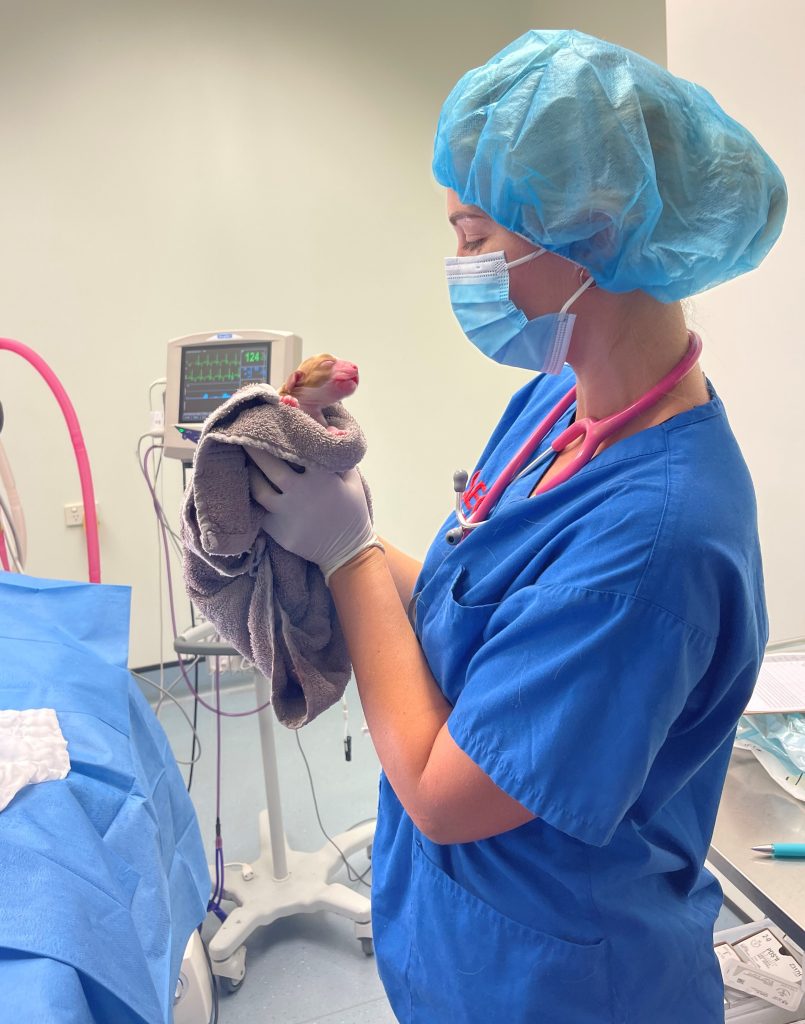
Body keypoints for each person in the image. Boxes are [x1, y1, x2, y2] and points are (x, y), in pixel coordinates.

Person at [246, 29, 787, 1023]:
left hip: (568, 985)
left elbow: (448, 793)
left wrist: (349, 551)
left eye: (474, 236)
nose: (459, 267)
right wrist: (330, 502)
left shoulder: (655, 539)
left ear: (592, 227)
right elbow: (474, 598)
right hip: (468, 951)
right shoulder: (557, 402)